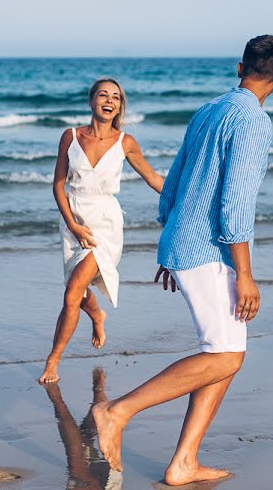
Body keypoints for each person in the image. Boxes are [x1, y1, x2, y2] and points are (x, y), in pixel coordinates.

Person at [92, 35, 273, 485]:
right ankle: (116, 412)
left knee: (224, 352)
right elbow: (235, 203)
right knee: (226, 357)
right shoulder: (253, 121)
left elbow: (178, 178)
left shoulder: (208, 110)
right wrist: (246, 275)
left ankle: (183, 463)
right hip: (211, 251)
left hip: (187, 244)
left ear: (239, 69)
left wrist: (172, 238)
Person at [39, 78, 164, 384]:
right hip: (73, 220)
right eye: (104, 95)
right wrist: (72, 224)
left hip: (105, 225)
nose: (110, 101)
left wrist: (188, 198)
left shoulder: (126, 142)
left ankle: (52, 361)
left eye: (116, 98)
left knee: (71, 293)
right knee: (79, 290)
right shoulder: (69, 137)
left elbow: (152, 177)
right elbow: (58, 183)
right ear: (91, 100)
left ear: (120, 106)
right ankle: (97, 315)